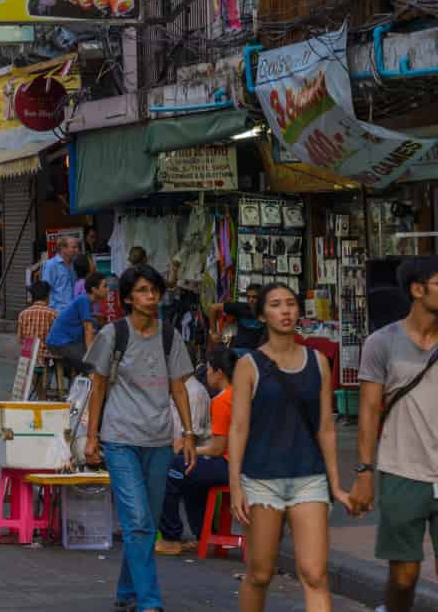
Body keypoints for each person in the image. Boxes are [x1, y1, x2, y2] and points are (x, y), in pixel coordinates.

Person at [83, 265, 198, 612]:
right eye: (144, 291)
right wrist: (92, 438)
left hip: (159, 440)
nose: (151, 297)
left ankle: (126, 592)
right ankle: (150, 601)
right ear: (129, 298)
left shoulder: (169, 336)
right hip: (119, 439)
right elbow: (98, 385)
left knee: (143, 521)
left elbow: (179, 385)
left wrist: (188, 433)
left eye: (155, 291)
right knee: (138, 523)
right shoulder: (112, 334)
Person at [225, 282, 345, 612]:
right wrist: (236, 486)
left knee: (316, 575)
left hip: (309, 478)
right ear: (263, 314)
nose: (286, 310)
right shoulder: (248, 365)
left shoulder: (318, 361)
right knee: (261, 574)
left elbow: (325, 427)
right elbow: (237, 429)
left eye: (291, 303)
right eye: (276, 304)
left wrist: (335, 483)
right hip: (262, 480)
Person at [349, 254, 438, 612]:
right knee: (403, 576)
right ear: (418, 290)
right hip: (402, 470)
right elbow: (368, 412)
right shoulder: (381, 343)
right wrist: (365, 472)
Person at [156, 346, 235, 554]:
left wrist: (189, 452)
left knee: (170, 469)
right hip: (239, 463)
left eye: (209, 369)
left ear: (219, 372)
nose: (206, 374)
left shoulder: (220, 401)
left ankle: (171, 536)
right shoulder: (239, 396)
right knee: (189, 473)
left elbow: (218, 449)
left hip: (228, 465)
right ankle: (204, 534)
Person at [46, 268, 107, 374]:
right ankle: (94, 388)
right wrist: (90, 354)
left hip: (68, 342)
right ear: (94, 289)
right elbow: (88, 329)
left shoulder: (87, 302)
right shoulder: (83, 300)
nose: (108, 289)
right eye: (104, 286)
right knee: (92, 365)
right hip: (60, 342)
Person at [38, 233, 83, 313]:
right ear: (63, 248)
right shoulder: (51, 265)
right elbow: (45, 290)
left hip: (73, 311)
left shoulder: (74, 265)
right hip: (57, 312)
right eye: (74, 247)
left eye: (77, 247)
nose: (77, 250)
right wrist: (52, 309)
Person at [17, 275, 57, 349]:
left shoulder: (22, 314)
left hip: (27, 355)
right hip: (46, 356)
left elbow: (19, 339)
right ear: (47, 296)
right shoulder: (54, 314)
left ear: (32, 296)